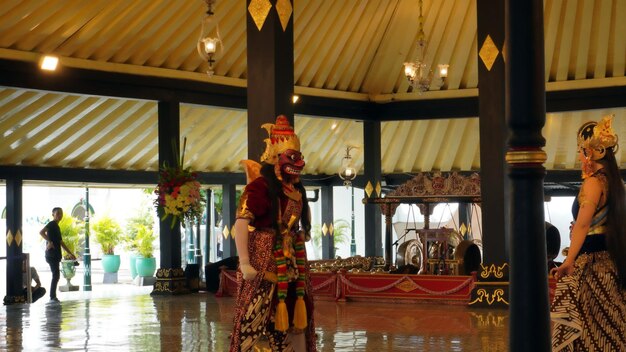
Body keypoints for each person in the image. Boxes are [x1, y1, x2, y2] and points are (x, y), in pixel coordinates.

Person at [230, 115, 316, 351]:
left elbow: (299, 218)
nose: (297, 165)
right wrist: (245, 262)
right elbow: (240, 223)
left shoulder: (296, 188)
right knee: (255, 313)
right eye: (291, 158)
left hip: (292, 263)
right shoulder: (259, 187)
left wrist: (302, 234)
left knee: (297, 312)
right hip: (263, 258)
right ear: (276, 158)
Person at [550, 114, 626, 351]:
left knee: (586, 328)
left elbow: (583, 225)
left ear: (593, 152)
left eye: (583, 151)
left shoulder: (593, 183)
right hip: (611, 264)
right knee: (611, 326)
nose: (581, 156)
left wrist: (569, 261)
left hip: (591, 267)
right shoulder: (616, 184)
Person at [39, 207, 76, 302]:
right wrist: (49, 241)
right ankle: (52, 297)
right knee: (56, 275)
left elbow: (60, 242)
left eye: (61, 213)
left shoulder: (56, 226)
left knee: (56, 275)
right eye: (58, 213)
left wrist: (70, 253)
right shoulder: (52, 224)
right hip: (51, 254)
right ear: (53, 214)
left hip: (55, 254)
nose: (60, 215)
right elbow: (41, 232)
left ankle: (53, 296)